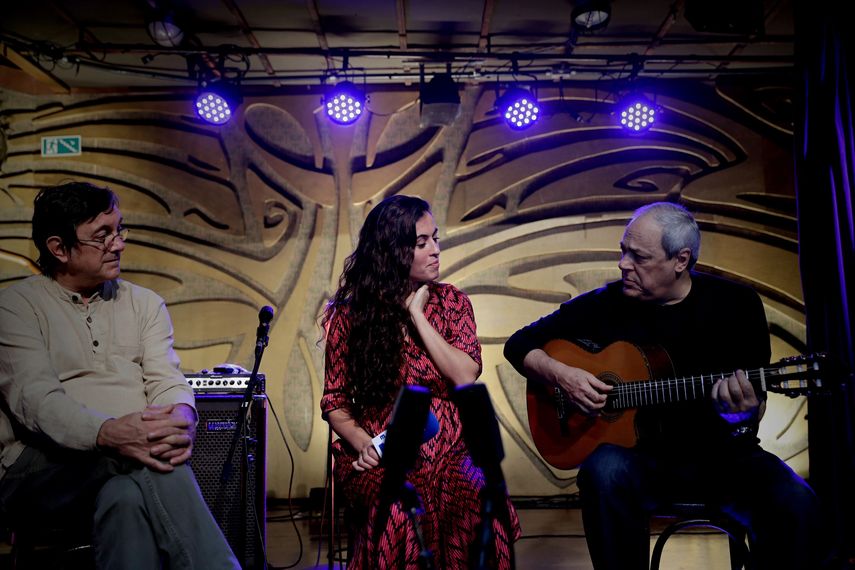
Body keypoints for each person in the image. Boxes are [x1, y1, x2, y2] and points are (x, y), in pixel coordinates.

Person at [504, 202, 828, 569]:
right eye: (623, 252)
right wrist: (562, 375)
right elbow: (518, 345)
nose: (623, 264)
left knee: (798, 504)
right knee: (603, 469)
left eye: (638, 256)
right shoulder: (607, 303)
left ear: (680, 259)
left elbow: (753, 410)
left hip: (723, 460)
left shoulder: (736, 305)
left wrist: (742, 412)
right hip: (642, 464)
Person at [0, 182, 239, 569]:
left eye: (119, 229)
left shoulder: (144, 303)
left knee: (125, 497)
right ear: (58, 248)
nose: (119, 243)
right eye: (102, 236)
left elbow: (165, 377)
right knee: (150, 457)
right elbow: (38, 403)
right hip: (39, 467)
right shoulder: (15, 308)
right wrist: (111, 434)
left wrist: (181, 415)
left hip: (126, 462)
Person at [320, 194, 521, 569]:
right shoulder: (350, 317)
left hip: (452, 451)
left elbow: (464, 374)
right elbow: (334, 401)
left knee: (479, 500)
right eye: (421, 242)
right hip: (384, 453)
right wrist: (366, 446)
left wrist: (417, 315)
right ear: (392, 252)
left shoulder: (453, 304)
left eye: (436, 239)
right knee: (396, 510)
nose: (435, 251)